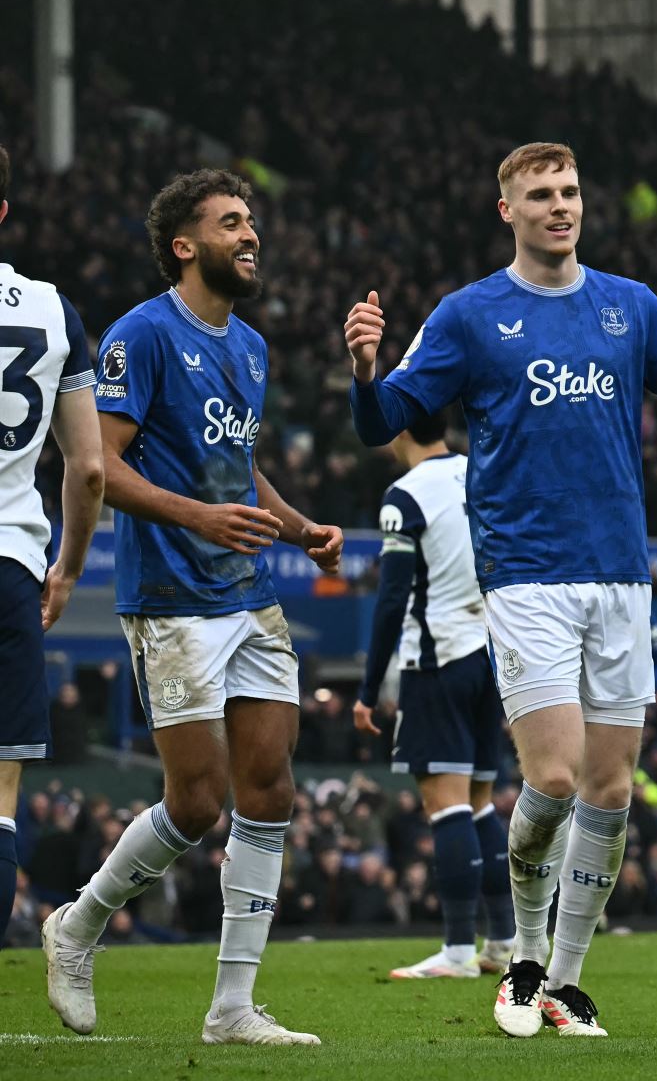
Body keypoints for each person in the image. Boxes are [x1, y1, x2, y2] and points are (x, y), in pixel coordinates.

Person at [344, 141, 657, 1039]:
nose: (560, 206)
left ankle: (565, 980)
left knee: (612, 791)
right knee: (549, 776)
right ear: (505, 209)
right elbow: (379, 422)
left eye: (571, 191)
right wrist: (364, 370)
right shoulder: (469, 316)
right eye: (540, 194)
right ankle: (524, 957)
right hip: (526, 578)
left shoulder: (629, 306)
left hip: (622, 574)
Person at [43, 169, 344, 1045]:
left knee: (270, 788)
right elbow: (103, 464)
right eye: (231, 223)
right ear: (186, 245)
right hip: (170, 597)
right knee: (198, 803)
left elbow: (235, 465)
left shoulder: (249, 346)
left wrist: (296, 528)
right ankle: (80, 924)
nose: (251, 234)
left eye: (253, 221)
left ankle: (232, 1009)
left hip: (249, 593)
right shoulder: (142, 335)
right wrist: (199, 516)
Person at [351, 406, 515, 980]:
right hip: (492, 655)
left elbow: (393, 599)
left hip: (438, 659)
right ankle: (503, 942)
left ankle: (454, 952)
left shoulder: (405, 495)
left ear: (398, 428)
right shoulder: (481, 472)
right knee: (480, 804)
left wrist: (369, 690)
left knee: (445, 806)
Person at [0, 143, 107, 943]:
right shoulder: (50, 307)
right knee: (1, 804)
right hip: (13, 566)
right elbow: (90, 467)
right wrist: (66, 570)